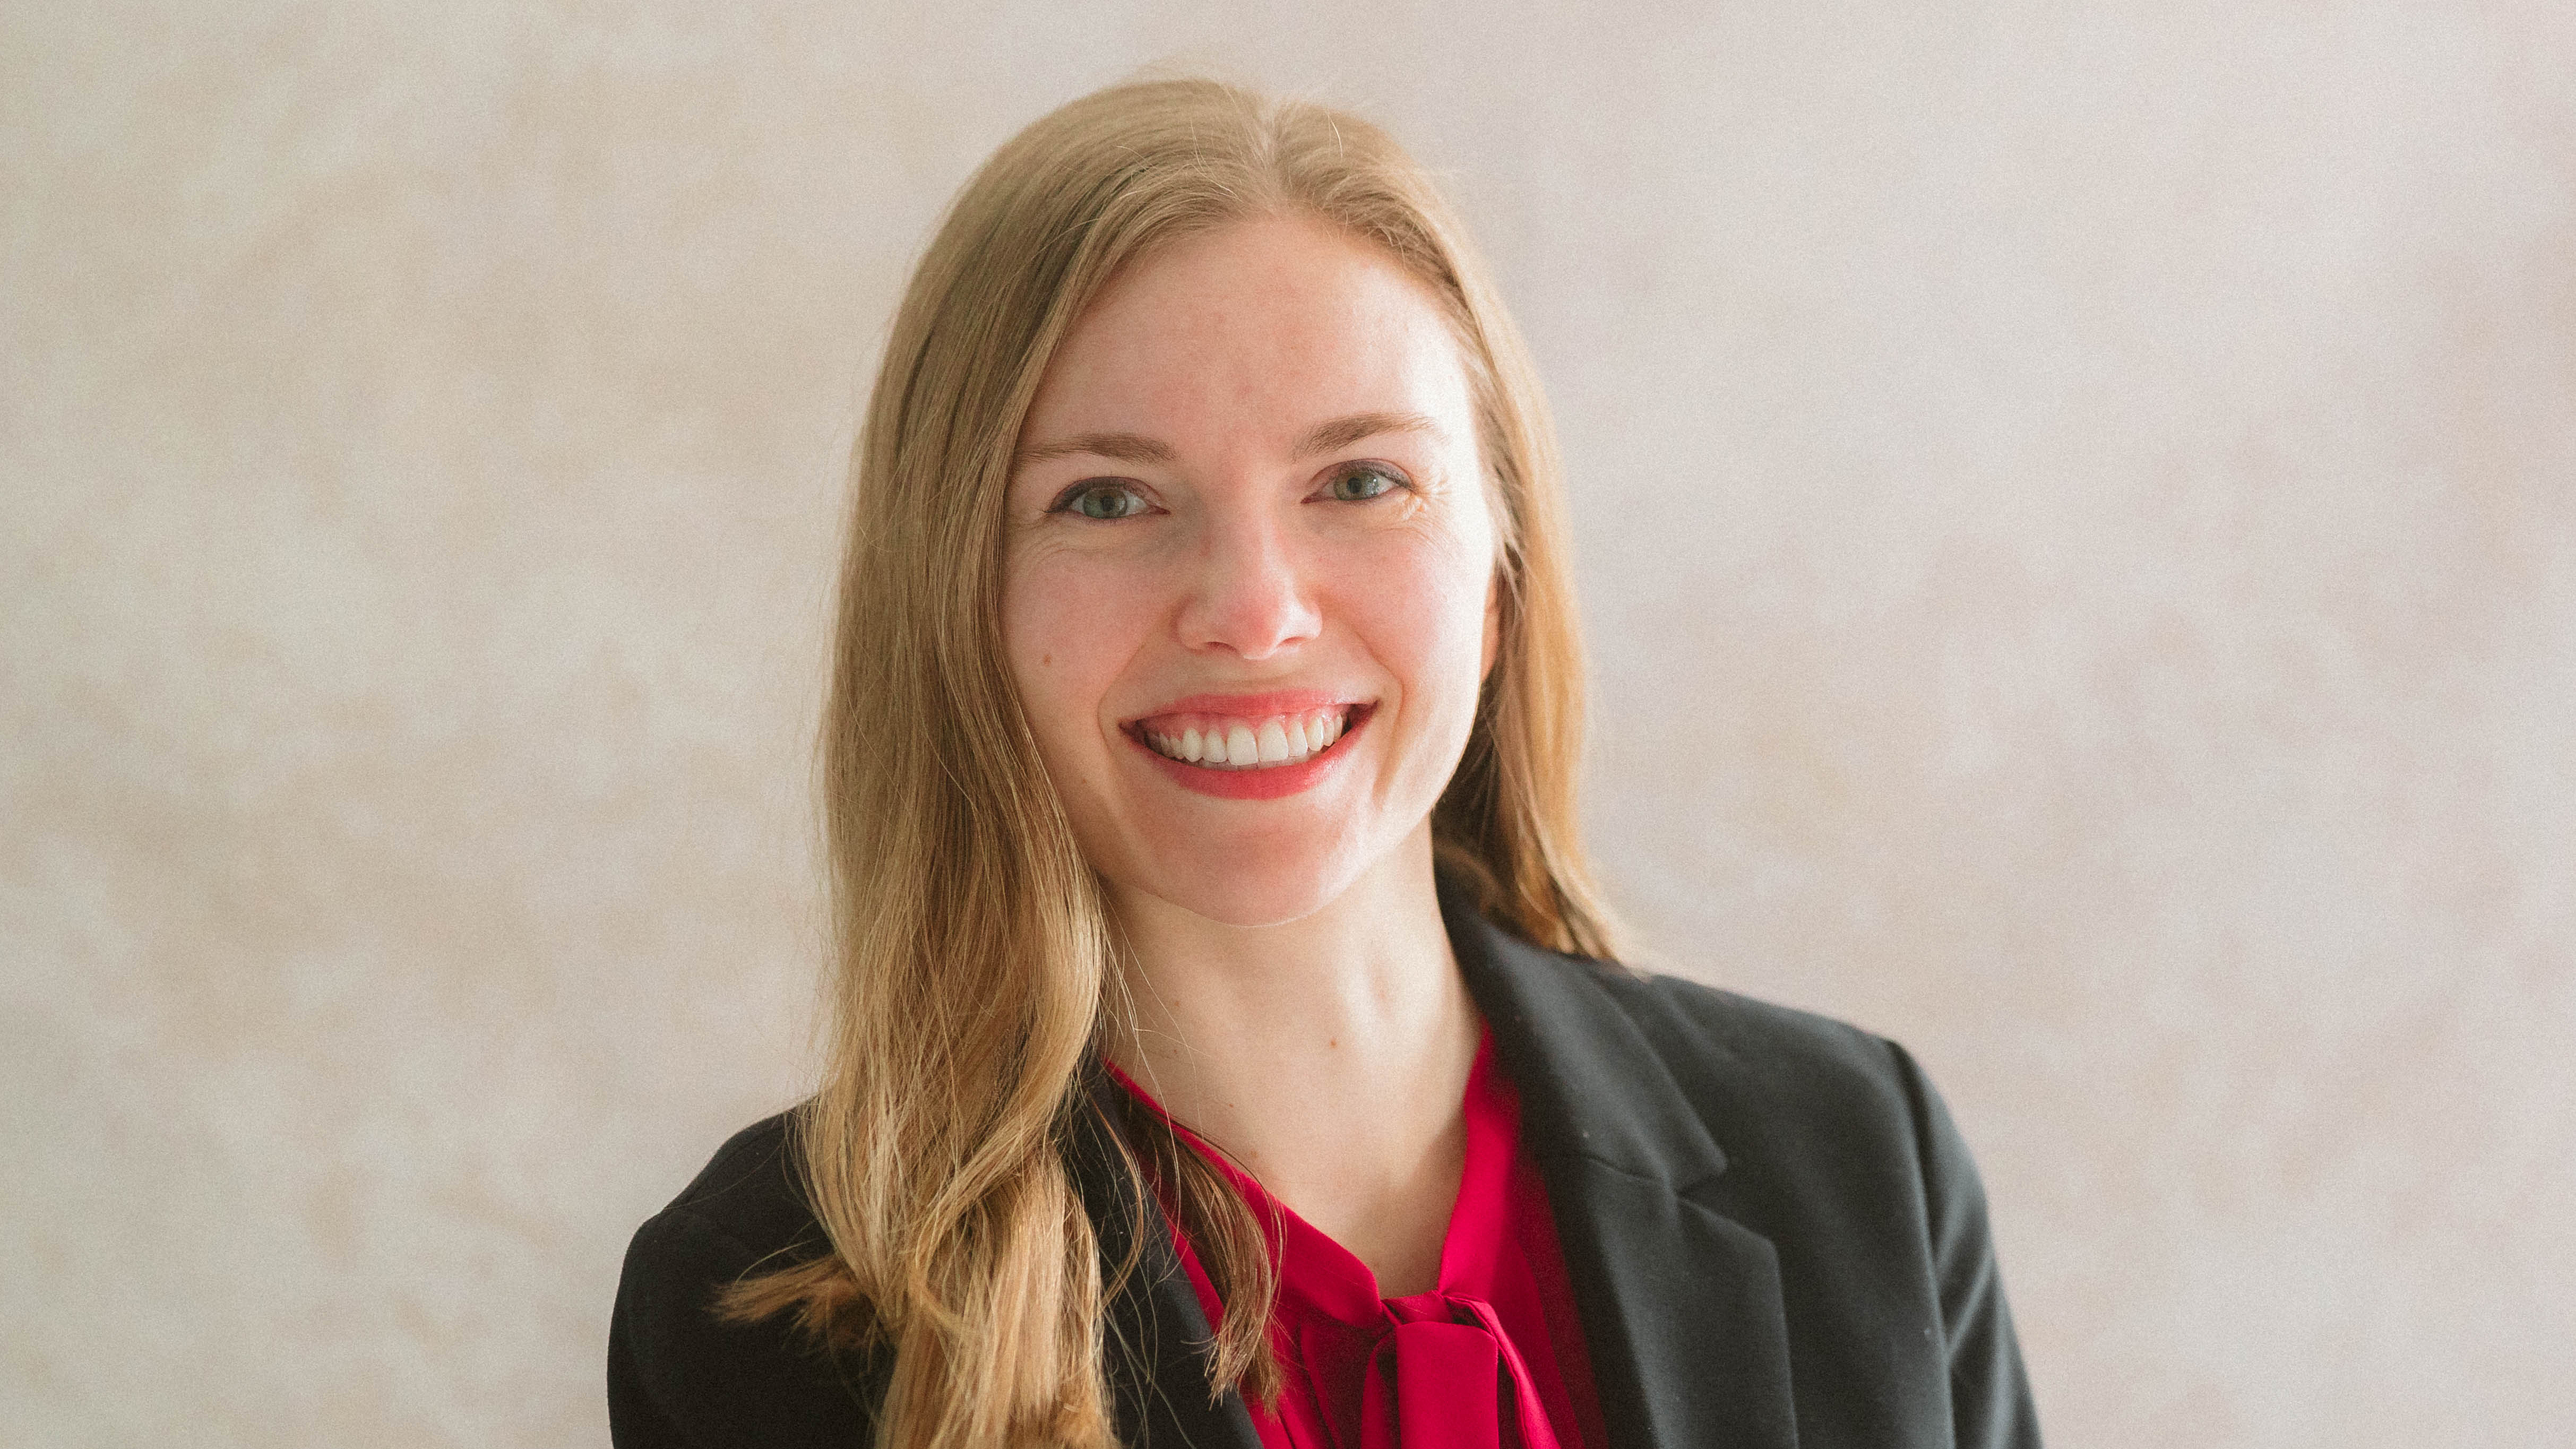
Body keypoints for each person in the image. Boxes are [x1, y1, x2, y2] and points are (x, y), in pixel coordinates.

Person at [607, 77, 2041, 1449]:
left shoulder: (1857, 1160)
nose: (1252, 611)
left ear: (1498, 580)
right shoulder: (773, 1309)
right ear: (957, 602)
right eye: (1106, 499)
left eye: (1362, 481)